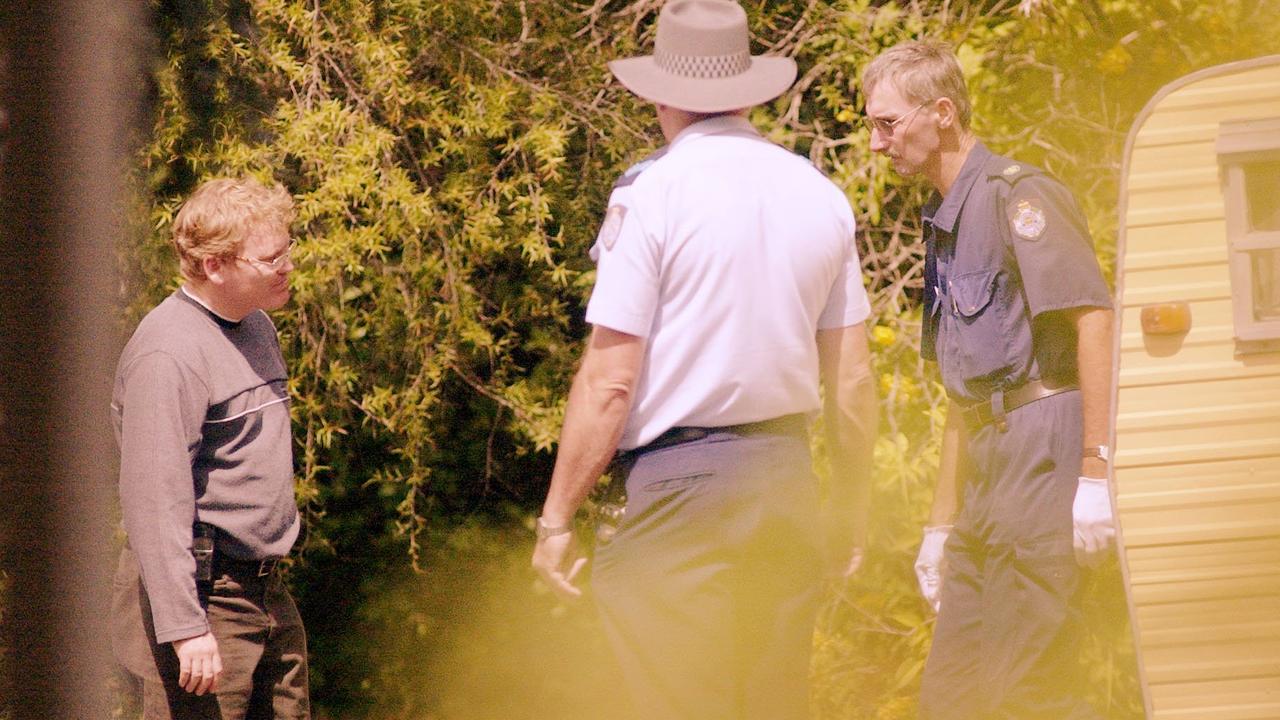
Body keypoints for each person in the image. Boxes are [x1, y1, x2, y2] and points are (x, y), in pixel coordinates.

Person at [530, 1, 878, 718]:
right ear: (749, 92)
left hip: (680, 488)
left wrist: (557, 517)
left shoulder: (651, 194)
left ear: (660, 93)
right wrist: (850, 501)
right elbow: (852, 379)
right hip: (785, 478)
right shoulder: (820, 195)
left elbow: (610, 380)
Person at [860, 41, 1116, 719]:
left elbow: (1095, 320)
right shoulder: (944, 225)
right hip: (985, 473)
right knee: (952, 696)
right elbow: (964, 393)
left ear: (941, 113)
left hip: (1042, 453)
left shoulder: (1018, 196)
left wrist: (1096, 473)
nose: (877, 142)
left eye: (887, 123)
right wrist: (939, 527)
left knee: (1033, 689)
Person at [110, 177, 310, 719]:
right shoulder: (168, 354)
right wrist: (184, 627)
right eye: (270, 259)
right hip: (205, 598)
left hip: (264, 589)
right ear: (216, 266)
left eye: (286, 251)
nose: (287, 266)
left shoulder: (255, 326)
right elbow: (155, 501)